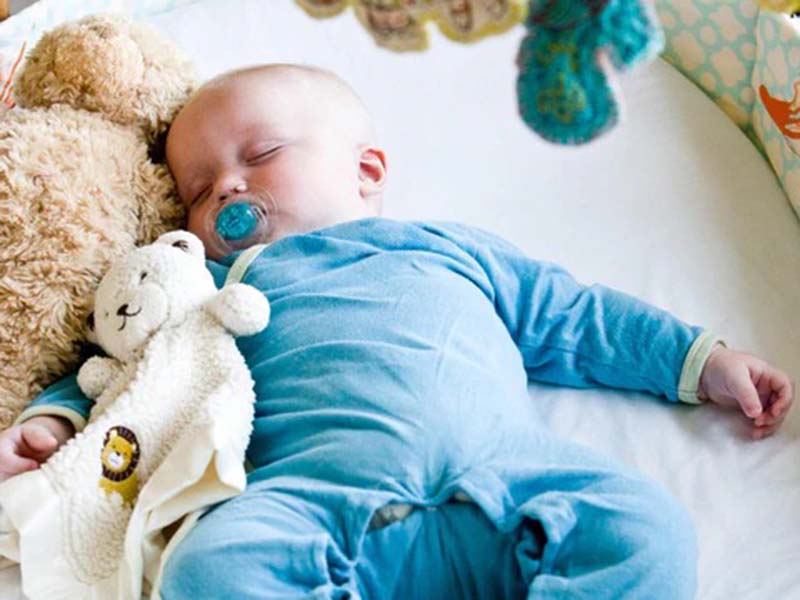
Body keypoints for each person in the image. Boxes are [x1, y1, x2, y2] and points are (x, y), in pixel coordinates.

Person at [1, 64, 793, 599]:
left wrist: (700, 361)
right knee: (207, 570)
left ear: (367, 171)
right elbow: (138, 367)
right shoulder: (210, 287)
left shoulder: (446, 247)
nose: (228, 189)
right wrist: (55, 420)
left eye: (261, 155)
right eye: (199, 190)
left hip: (504, 480)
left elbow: (575, 316)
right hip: (311, 500)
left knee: (646, 530)